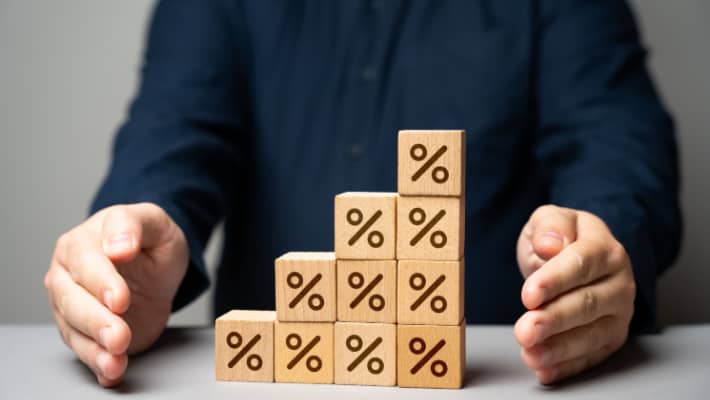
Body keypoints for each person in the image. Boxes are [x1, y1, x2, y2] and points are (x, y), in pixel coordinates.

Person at [43, 0, 681, 388]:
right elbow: (173, 131)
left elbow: (615, 142)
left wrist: (600, 240)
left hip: (504, 373)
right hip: (275, 378)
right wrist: (131, 241)